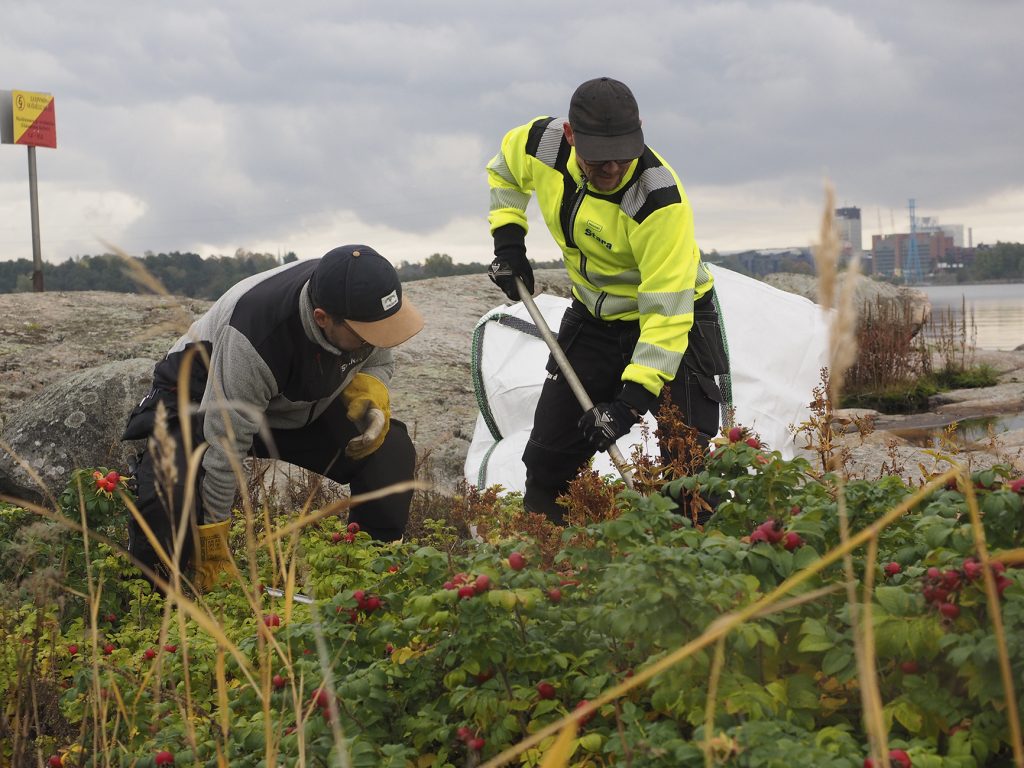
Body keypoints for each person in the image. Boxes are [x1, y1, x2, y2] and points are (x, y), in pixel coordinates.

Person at [486, 76, 729, 524]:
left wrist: (629, 403)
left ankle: (695, 572)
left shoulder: (658, 201)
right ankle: (548, 568)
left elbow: (666, 314)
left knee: (687, 466)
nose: (613, 168)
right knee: (547, 463)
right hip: (594, 319)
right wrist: (509, 243)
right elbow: (503, 171)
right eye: (599, 159)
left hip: (677, 321)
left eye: (623, 155)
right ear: (571, 136)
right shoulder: (543, 144)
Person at [122, 245, 424, 590]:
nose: (376, 340)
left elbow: (379, 359)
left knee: (390, 451)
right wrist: (213, 546)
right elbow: (224, 451)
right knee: (169, 500)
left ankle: (372, 580)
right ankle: (159, 606)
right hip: (200, 398)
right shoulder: (255, 336)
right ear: (323, 317)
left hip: (288, 403)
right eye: (366, 334)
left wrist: (371, 390)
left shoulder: (359, 298)